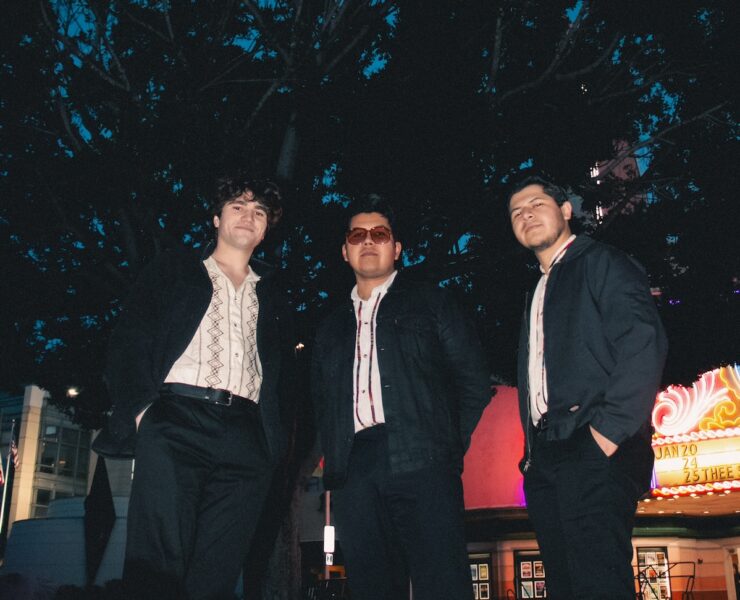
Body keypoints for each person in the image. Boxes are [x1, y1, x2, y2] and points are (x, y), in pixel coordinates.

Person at [92, 176, 295, 600]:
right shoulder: (175, 270)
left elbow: (282, 377)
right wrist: (143, 412)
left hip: (247, 437)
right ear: (216, 218)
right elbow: (129, 339)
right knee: (156, 565)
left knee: (218, 569)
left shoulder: (273, 295)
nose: (248, 216)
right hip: (176, 421)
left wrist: (271, 445)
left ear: (265, 230)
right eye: (237, 206)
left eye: (259, 212)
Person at [311, 195, 491, 600]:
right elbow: (320, 401)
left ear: (396, 249)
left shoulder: (432, 303)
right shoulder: (329, 327)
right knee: (371, 585)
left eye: (380, 234)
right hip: (354, 469)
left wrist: (446, 445)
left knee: (442, 582)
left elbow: (474, 382)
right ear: (344, 251)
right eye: (357, 235)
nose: (368, 240)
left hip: (424, 460)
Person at [507, 176, 668, 599]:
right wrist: (531, 456)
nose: (526, 214)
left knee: (598, 583)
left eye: (537, 204)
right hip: (546, 457)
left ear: (565, 211)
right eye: (517, 212)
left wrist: (605, 436)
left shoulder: (601, 263)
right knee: (565, 586)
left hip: (592, 448)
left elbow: (643, 342)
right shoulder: (538, 286)